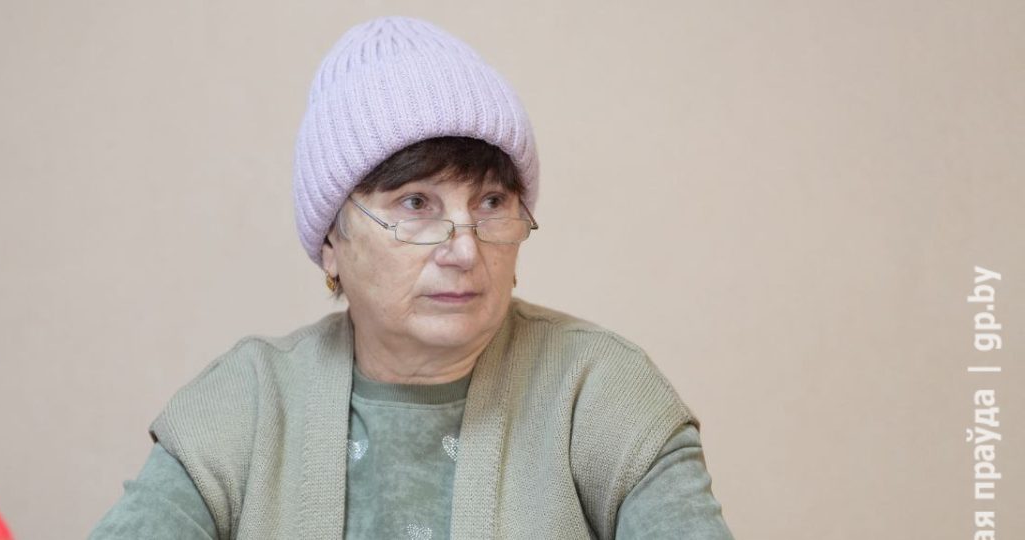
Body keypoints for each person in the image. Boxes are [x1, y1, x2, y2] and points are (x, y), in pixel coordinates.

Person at [90, 15, 734, 540]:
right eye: (416, 203)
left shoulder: (602, 391)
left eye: (491, 202)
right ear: (331, 243)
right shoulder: (246, 401)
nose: (465, 249)